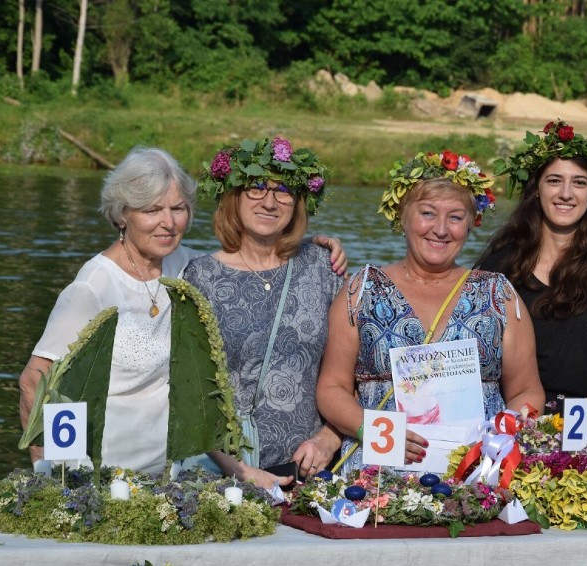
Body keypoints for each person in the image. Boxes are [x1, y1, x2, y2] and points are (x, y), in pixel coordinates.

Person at [18, 146, 346, 477]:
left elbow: (244, 261)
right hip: (102, 469)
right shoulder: (94, 286)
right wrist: (49, 473)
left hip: (167, 472)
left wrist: (310, 247)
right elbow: (35, 381)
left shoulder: (184, 265)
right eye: (152, 210)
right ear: (121, 215)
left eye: (178, 208)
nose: (168, 223)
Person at [316, 150, 545, 472]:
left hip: (476, 469)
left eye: (455, 217)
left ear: (470, 224)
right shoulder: (361, 290)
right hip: (378, 467)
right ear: (402, 216)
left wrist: (502, 434)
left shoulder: (499, 295)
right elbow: (331, 388)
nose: (440, 229)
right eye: (427, 213)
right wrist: (372, 429)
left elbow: (526, 390)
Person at [184, 136, 344, 489]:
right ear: (234, 197)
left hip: (312, 470)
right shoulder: (201, 276)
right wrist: (241, 471)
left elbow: (352, 370)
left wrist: (329, 439)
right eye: (256, 188)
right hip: (227, 472)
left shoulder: (321, 265)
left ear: (298, 203)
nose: (270, 202)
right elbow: (190, 390)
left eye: (284, 191)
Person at [478, 119, 587, 420]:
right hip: (512, 426)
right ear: (536, 189)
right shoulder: (496, 268)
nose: (566, 194)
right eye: (554, 180)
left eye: (579, 182)